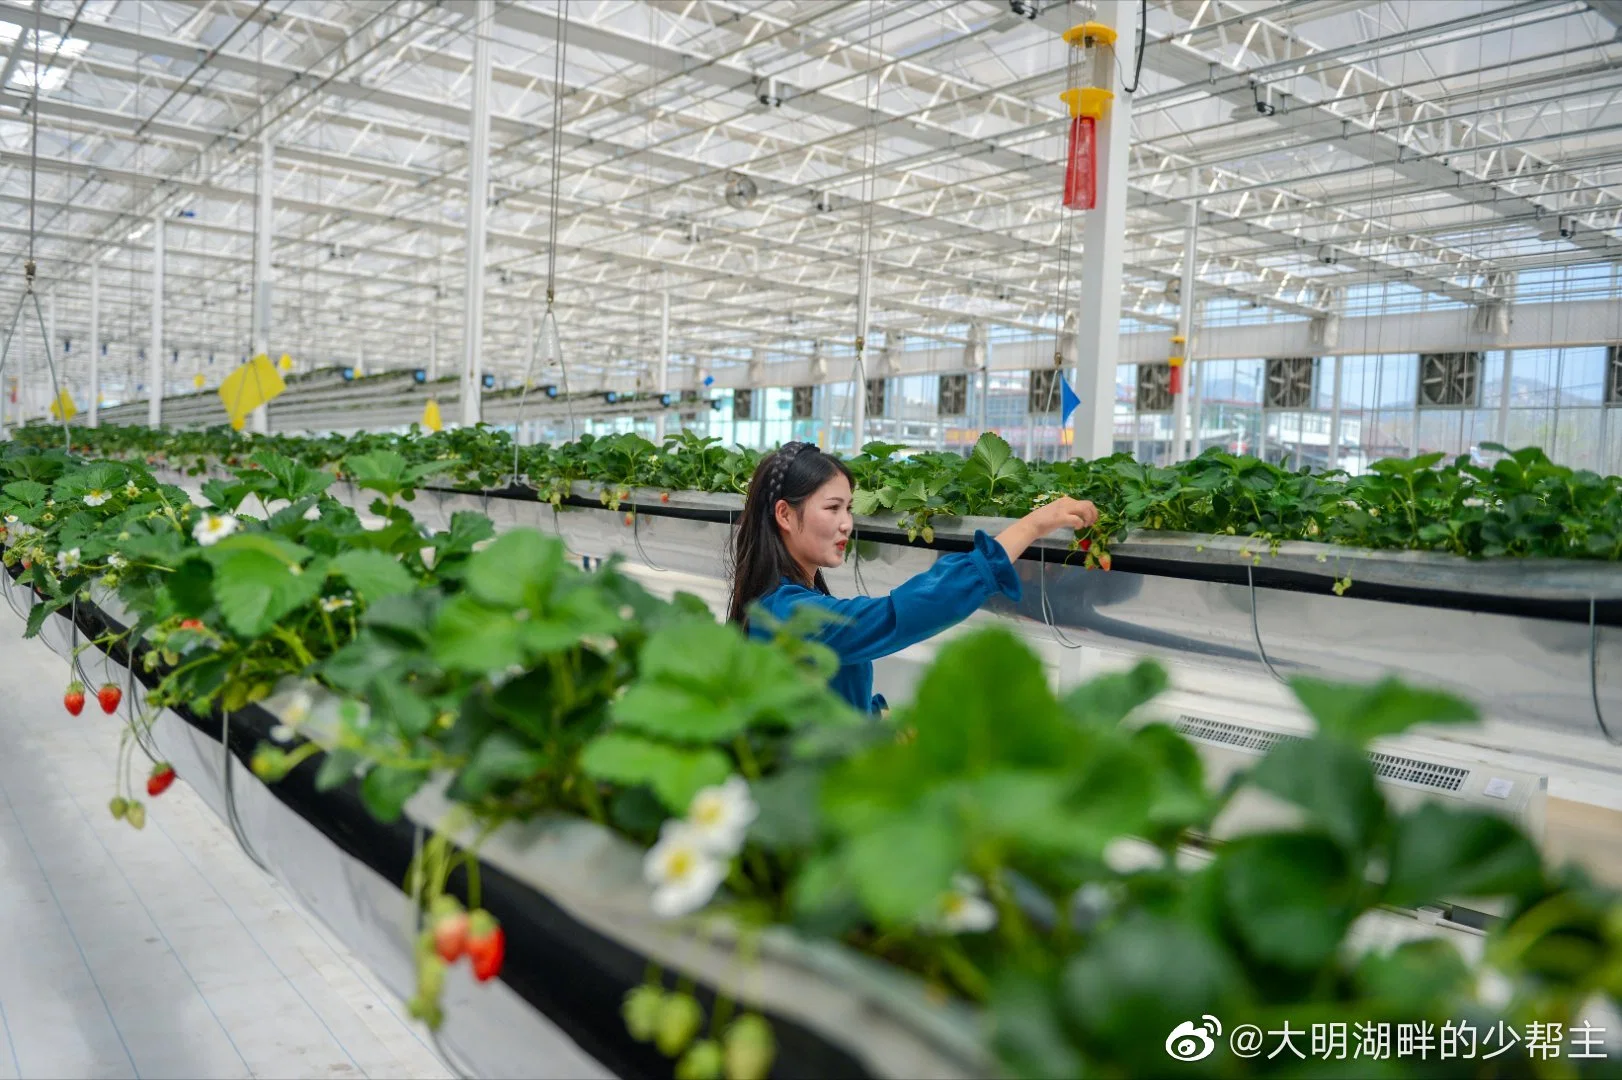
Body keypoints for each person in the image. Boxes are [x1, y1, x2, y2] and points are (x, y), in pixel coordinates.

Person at [727, 441, 1099, 714]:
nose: (847, 524)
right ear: (785, 515)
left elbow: (823, 699)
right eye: (833, 508)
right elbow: (902, 614)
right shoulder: (790, 616)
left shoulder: (775, 604)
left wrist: (873, 718)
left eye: (849, 508)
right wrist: (1032, 526)